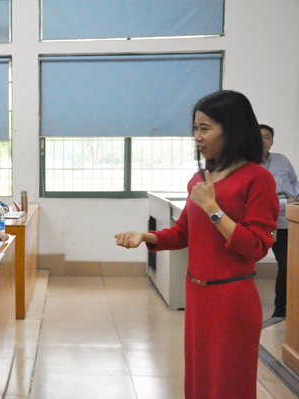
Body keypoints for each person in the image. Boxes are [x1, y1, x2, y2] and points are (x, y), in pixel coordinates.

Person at [115, 90, 279, 399]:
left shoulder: (258, 179)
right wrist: (146, 237)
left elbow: (257, 246)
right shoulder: (200, 179)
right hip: (198, 295)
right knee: (199, 380)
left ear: (231, 128)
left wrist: (213, 209)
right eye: (195, 128)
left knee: (229, 384)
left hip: (232, 298)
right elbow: (183, 234)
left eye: (205, 128)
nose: (197, 137)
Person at [259, 124, 299, 318]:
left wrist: (297, 197)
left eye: (267, 137)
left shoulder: (282, 160)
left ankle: (281, 307)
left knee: (287, 265)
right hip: (261, 222)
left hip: (286, 222)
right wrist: (285, 201)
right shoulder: (246, 164)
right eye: (258, 136)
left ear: (272, 141)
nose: (263, 141)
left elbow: (294, 182)